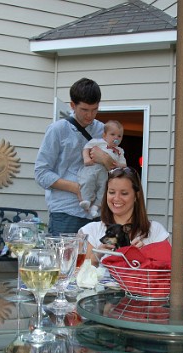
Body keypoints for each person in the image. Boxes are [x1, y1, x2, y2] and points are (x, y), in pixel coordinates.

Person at [34, 78, 115, 235]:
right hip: (66, 213)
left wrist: (105, 159)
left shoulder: (103, 130)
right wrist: (77, 188)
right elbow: (41, 173)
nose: (90, 115)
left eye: (94, 109)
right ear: (72, 105)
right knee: (65, 253)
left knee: (96, 253)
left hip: (97, 213)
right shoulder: (57, 130)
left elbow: (117, 169)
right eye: (84, 110)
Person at [79, 167, 169, 266]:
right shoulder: (90, 231)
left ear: (136, 196)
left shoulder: (155, 231)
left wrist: (143, 255)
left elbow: (166, 269)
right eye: (111, 192)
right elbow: (78, 272)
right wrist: (96, 257)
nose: (116, 198)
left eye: (124, 193)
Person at [78, 120, 127, 218]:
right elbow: (86, 148)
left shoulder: (120, 151)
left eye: (119, 136)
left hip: (105, 173)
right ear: (104, 135)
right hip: (92, 168)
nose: (116, 138)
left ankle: (96, 207)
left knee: (104, 189)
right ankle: (86, 200)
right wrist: (86, 158)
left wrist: (118, 164)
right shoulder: (98, 142)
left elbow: (124, 165)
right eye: (112, 134)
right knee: (88, 181)